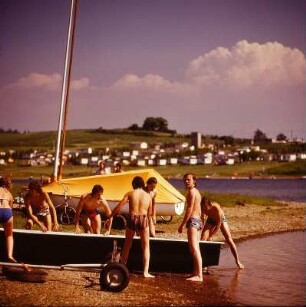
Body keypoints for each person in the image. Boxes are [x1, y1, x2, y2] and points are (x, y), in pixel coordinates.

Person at [110, 176, 154, 278]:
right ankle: (146, 272)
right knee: (146, 246)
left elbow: (119, 206)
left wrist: (110, 216)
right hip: (143, 219)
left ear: (133, 184)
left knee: (127, 245)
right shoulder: (148, 196)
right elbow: (150, 214)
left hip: (132, 218)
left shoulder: (130, 193)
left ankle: (122, 267)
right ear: (142, 184)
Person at [200, 197, 244, 269]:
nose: (204, 211)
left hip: (220, 220)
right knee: (203, 239)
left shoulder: (216, 207)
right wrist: (201, 226)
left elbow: (218, 224)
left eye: (206, 209)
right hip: (210, 219)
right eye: (203, 209)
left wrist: (211, 235)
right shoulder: (202, 207)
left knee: (229, 239)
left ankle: (237, 261)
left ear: (210, 205)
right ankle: (204, 263)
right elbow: (202, 218)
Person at [178, 173, 203, 282]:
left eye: (188, 180)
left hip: (193, 221)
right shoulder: (197, 192)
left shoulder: (192, 192)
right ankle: (196, 272)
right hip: (198, 221)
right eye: (185, 180)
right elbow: (199, 210)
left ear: (194, 180)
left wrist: (182, 224)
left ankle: (199, 276)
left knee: (194, 249)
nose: (186, 182)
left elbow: (189, 209)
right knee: (194, 249)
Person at [0, 176, 16, 262]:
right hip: (7, 212)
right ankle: (10, 255)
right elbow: (11, 207)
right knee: (9, 235)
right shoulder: (9, 194)